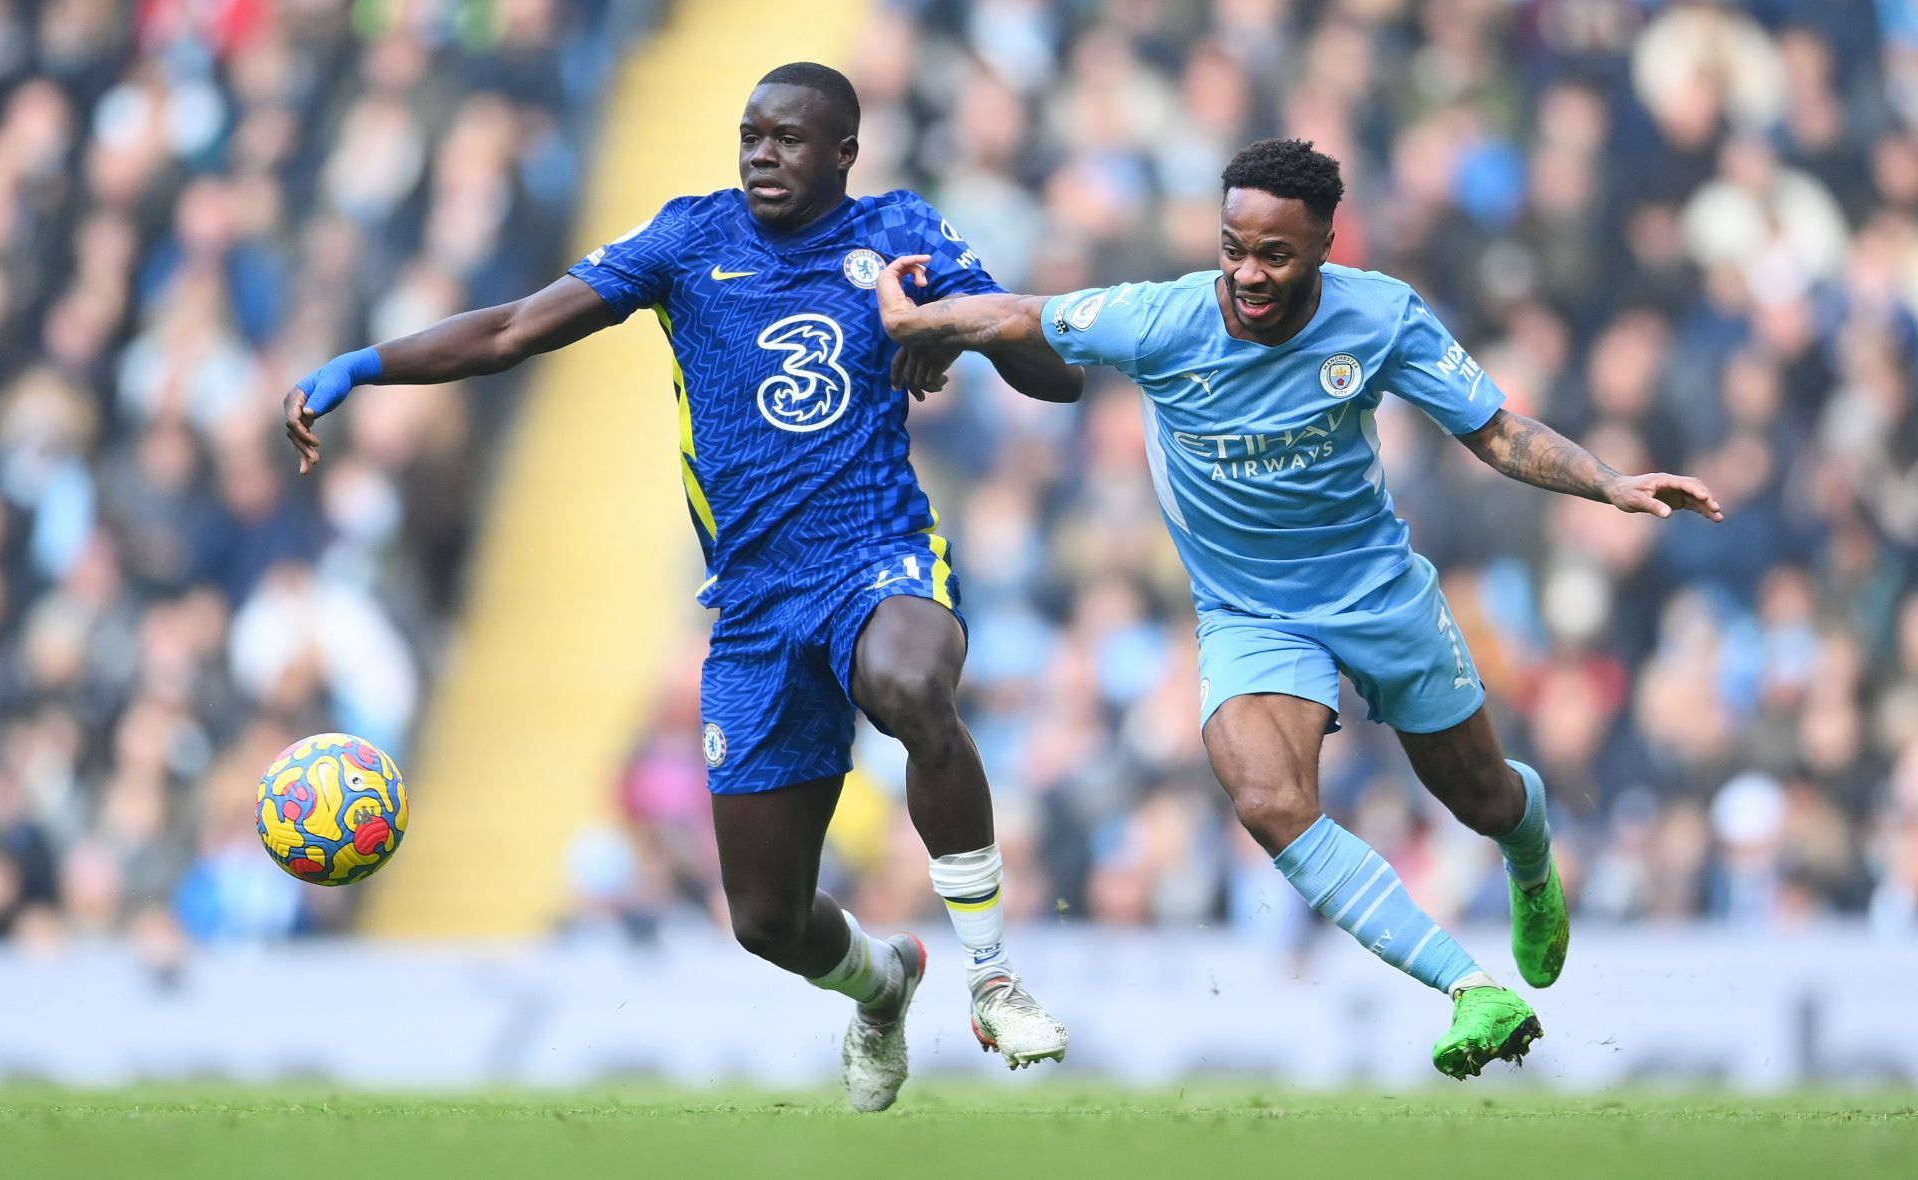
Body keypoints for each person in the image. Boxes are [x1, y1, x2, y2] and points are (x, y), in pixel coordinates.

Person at [283, 62, 1081, 1111]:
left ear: (843, 152)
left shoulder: (899, 232)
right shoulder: (689, 241)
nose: (761, 154)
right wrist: (367, 365)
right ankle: (882, 985)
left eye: (788, 139)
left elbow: (1055, 372)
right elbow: (518, 327)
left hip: (875, 557)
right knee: (766, 920)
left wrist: (946, 324)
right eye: (750, 134)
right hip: (752, 609)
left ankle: (993, 972)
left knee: (910, 686)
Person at [874, 138, 1724, 1080]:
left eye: (1275, 254)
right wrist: (926, 321)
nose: (1247, 272)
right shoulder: (1160, 319)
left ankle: (1530, 849)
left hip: (1377, 589)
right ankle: (1470, 989)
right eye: (1234, 246)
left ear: (1324, 243)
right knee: (1267, 798)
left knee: (1480, 797)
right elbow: (1027, 317)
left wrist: (1608, 481)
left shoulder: (1381, 315)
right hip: (1248, 613)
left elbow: (1494, 430)